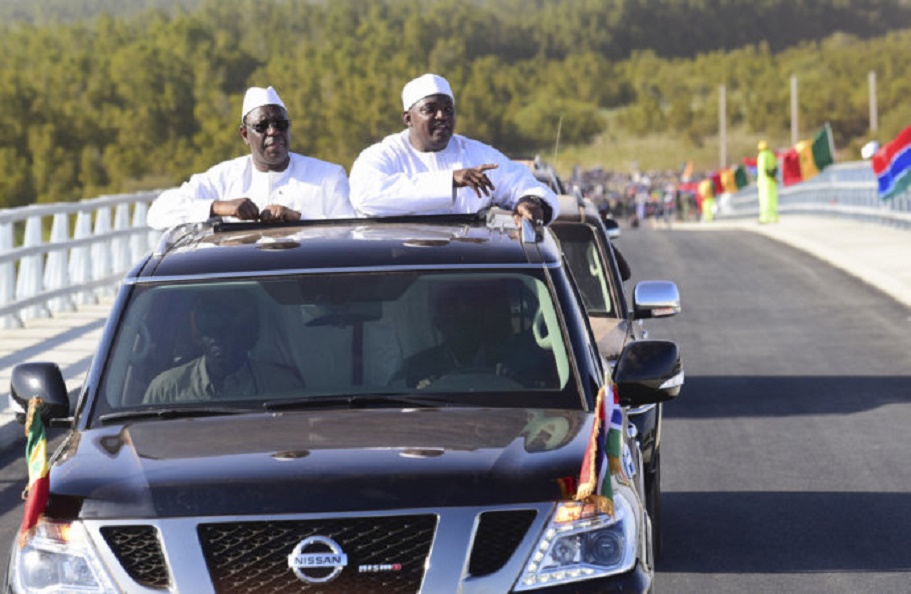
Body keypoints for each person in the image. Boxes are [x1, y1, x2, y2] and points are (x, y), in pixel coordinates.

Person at [348, 74, 559, 225]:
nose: (441, 116)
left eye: (448, 110)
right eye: (429, 110)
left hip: (466, 265)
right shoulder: (381, 156)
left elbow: (521, 183)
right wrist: (450, 180)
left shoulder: (476, 154)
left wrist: (531, 202)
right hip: (399, 265)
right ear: (408, 118)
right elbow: (365, 197)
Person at [147, 86, 353, 230]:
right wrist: (220, 207)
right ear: (245, 135)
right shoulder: (223, 177)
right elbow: (158, 213)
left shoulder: (328, 176)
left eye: (280, 124)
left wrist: (298, 219)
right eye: (262, 126)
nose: (273, 131)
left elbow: (351, 232)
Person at [143, 290, 303, 403]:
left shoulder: (283, 387)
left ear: (248, 335)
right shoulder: (166, 390)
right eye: (209, 330)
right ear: (198, 335)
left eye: (227, 331)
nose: (217, 339)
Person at [398, 282, 558, 390]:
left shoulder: (513, 358)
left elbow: (540, 393)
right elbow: (409, 409)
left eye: (469, 318)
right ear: (439, 325)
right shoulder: (421, 365)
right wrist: (425, 390)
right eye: (454, 319)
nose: (463, 326)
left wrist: (513, 381)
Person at [756, 140, 779, 223]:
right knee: (772, 199)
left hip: (764, 181)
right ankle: (774, 217)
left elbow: (764, 168)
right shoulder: (771, 154)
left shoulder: (762, 155)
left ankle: (764, 218)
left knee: (764, 199)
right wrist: (773, 177)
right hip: (772, 181)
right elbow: (775, 167)